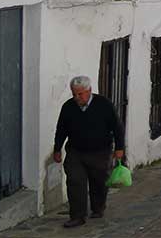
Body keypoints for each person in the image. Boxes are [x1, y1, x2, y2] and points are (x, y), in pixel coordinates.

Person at [53, 76, 124, 228]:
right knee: (74, 181)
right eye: (74, 94)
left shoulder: (104, 105)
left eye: (80, 94)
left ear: (89, 91)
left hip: (100, 151)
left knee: (98, 181)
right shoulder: (68, 107)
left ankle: (98, 207)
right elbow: (61, 129)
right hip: (75, 152)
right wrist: (57, 149)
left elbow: (117, 127)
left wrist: (119, 148)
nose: (77, 98)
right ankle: (77, 216)